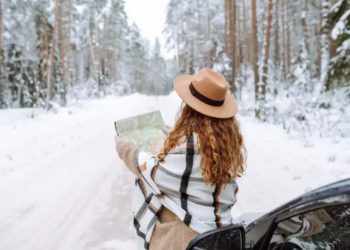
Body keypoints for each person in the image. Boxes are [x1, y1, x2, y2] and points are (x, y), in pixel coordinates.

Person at [115, 68, 247, 250]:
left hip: (189, 239)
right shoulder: (226, 144)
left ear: (190, 110)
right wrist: (172, 135)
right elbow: (192, 154)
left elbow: (155, 173)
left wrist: (126, 148)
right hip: (218, 235)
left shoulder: (192, 148)